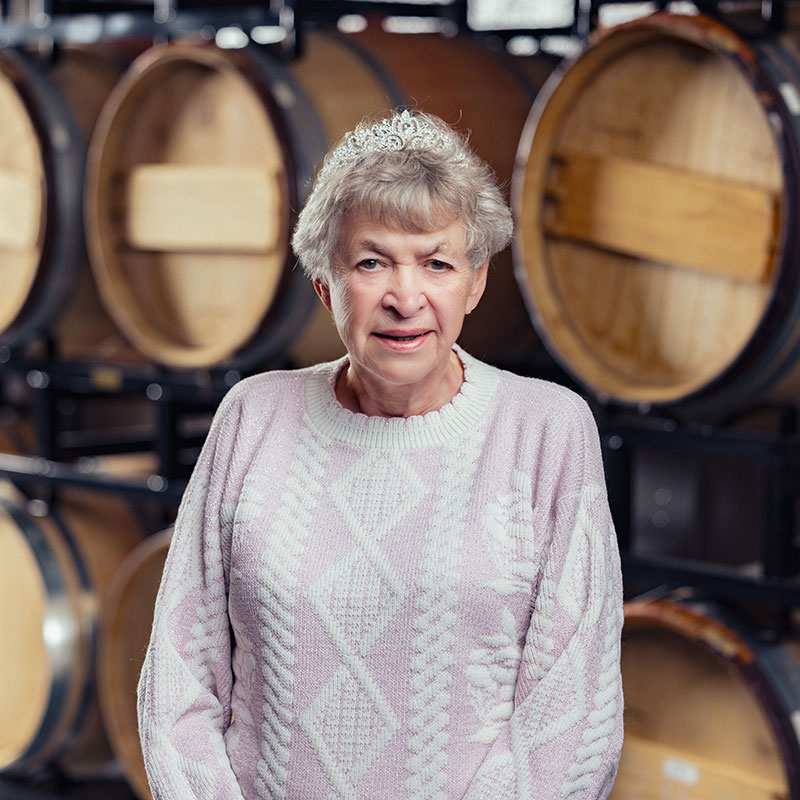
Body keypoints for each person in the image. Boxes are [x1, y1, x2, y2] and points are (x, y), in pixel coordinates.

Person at [137, 108, 624, 799]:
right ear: (325, 284)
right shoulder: (252, 416)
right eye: (371, 262)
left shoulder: (545, 430)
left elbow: (572, 716)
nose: (405, 297)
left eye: (436, 263)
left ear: (475, 280)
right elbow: (178, 684)